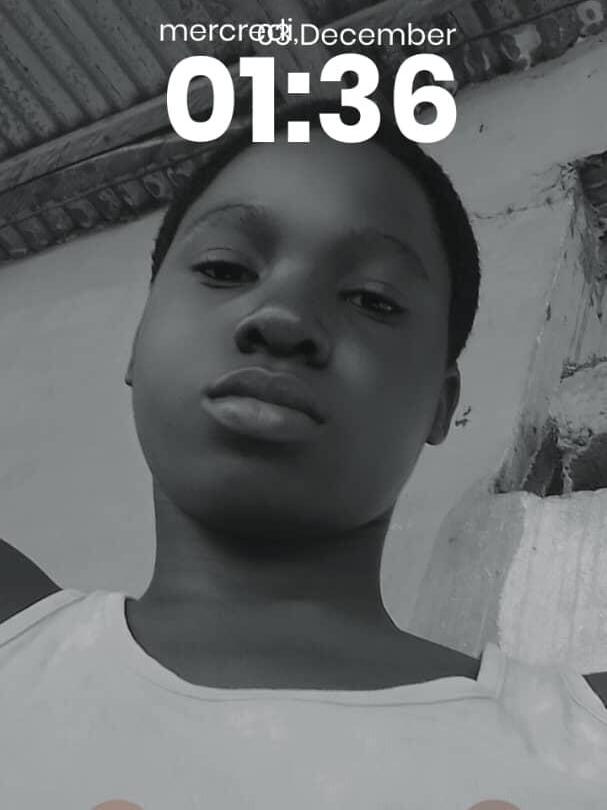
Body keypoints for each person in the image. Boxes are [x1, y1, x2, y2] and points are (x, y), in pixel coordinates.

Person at [0, 100, 605, 809]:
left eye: (372, 299)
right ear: (138, 342)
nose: (284, 319)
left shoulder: (587, 739)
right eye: (225, 268)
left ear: (440, 406)